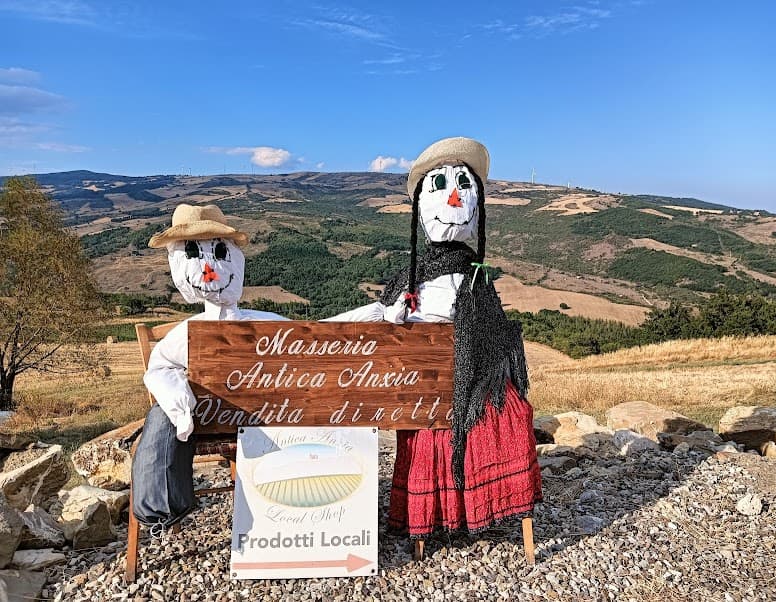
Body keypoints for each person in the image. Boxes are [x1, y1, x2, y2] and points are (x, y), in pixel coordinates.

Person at [327, 137, 542, 538]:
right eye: (442, 186)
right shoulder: (410, 281)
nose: (456, 198)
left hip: (472, 381)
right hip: (424, 386)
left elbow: (492, 337)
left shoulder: (477, 278)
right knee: (437, 420)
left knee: (504, 411)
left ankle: (471, 506)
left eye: (463, 185)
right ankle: (442, 512)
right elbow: (380, 317)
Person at [131, 204, 286, 533]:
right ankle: (163, 505)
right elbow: (159, 369)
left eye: (217, 251)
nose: (209, 268)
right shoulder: (187, 333)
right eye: (193, 252)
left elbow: (310, 339)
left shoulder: (263, 324)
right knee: (162, 417)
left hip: (261, 418)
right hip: (208, 423)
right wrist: (181, 405)